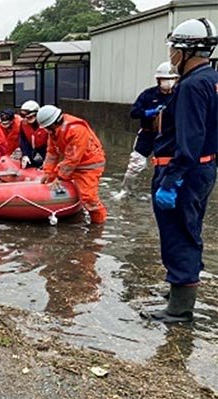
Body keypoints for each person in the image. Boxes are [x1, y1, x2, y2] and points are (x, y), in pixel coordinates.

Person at [140, 18, 218, 323]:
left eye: (174, 47)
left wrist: (172, 179)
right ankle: (179, 287)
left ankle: (180, 308)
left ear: (185, 51)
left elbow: (190, 138)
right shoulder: (211, 79)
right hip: (202, 169)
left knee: (178, 235)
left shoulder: (191, 86)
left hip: (183, 171)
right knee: (190, 229)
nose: (171, 53)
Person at [114, 62, 178, 200]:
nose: (168, 82)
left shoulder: (179, 95)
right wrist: (147, 113)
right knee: (136, 164)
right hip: (148, 133)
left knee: (167, 164)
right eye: (164, 79)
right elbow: (134, 112)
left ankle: (164, 191)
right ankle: (125, 190)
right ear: (158, 80)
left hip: (169, 136)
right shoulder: (148, 94)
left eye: (171, 79)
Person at [37, 105, 107, 224]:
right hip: (72, 163)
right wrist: (47, 172)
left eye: (47, 128)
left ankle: (98, 224)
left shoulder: (76, 130)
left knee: (89, 198)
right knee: (48, 182)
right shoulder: (54, 132)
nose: (46, 131)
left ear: (54, 123)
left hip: (89, 166)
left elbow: (72, 158)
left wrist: (60, 177)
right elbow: (52, 153)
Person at [17, 100, 48, 169]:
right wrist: (25, 154)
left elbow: (51, 142)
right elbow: (23, 140)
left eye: (30, 117)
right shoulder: (23, 124)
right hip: (31, 149)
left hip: (45, 149)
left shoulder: (46, 124)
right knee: (27, 164)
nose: (27, 119)